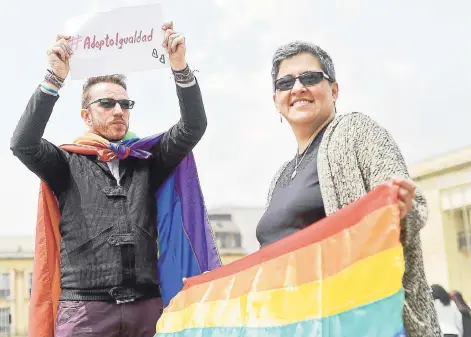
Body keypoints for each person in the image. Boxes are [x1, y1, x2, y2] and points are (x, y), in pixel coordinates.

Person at [10, 21, 220, 337]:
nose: (119, 110)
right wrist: (54, 78)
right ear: (86, 115)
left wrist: (180, 69)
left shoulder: (148, 160)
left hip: (147, 311)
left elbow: (192, 127)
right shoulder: (66, 163)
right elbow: (22, 144)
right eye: (107, 103)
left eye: (125, 103)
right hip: (85, 313)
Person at [256, 41, 441, 337]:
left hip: (356, 322)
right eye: (286, 82)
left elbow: (412, 206)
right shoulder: (279, 177)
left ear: (334, 90)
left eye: (311, 78)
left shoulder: (356, 132)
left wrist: (397, 210)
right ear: (276, 99)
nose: (298, 87)